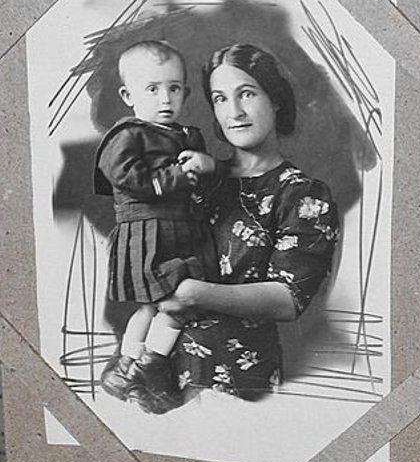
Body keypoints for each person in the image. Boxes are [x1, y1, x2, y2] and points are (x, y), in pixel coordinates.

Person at [145, 43, 340, 408]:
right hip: (160, 366)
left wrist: (193, 295)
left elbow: (288, 299)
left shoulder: (302, 193)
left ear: (275, 99)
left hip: (239, 379)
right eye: (220, 99)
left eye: (246, 94)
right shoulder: (196, 178)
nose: (233, 112)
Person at [94, 40, 219, 414]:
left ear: (185, 92)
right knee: (169, 305)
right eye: (152, 89)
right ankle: (147, 365)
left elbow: (203, 185)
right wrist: (176, 176)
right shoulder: (127, 135)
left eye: (174, 88)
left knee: (162, 306)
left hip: (184, 231)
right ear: (128, 96)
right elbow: (123, 175)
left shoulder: (188, 136)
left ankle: (127, 370)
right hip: (148, 234)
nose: (165, 99)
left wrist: (203, 170)